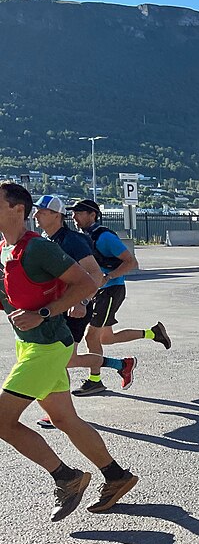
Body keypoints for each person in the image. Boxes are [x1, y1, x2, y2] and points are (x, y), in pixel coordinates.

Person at [0, 182, 138, 519]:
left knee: (2, 422)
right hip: (30, 344)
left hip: (47, 348)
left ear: (19, 209)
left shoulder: (38, 249)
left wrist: (45, 313)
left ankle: (67, 477)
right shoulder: (6, 248)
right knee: (64, 419)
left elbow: (88, 283)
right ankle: (117, 476)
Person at [30, 197, 136, 429]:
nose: (36, 215)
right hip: (59, 309)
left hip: (77, 309)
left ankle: (60, 413)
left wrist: (83, 301)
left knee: (61, 360)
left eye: (42, 211)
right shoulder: (46, 240)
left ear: (56, 215)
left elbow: (96, 275)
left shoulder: (73, 241)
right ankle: (120, 365)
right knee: (65, 360)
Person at [68, 199, 171, 396]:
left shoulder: (104, 237)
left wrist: (108, 277)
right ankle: (153, 333)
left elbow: (131, 261)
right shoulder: (81, 237)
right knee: (106, 338)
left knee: (92, 336)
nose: (74, 216)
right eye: (73, 212)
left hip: (109, 291)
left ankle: (95, 380)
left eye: (79, 212)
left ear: (93, 215)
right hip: (96, 291)